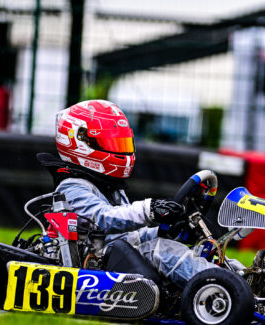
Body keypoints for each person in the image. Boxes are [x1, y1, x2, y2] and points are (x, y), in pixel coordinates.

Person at [42, 99, 221, 286]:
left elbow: (127, 236)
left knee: (196, 252)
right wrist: (149, 210)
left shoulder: (110, 187)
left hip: (117, 254)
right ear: (80, 143)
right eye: (112, 143)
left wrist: (161, 231)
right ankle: (221, 287)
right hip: (96, 264)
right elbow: (103, 219)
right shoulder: (71, 187)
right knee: (161, 250)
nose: (119, 150)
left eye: (121, 143)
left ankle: (241, 279)